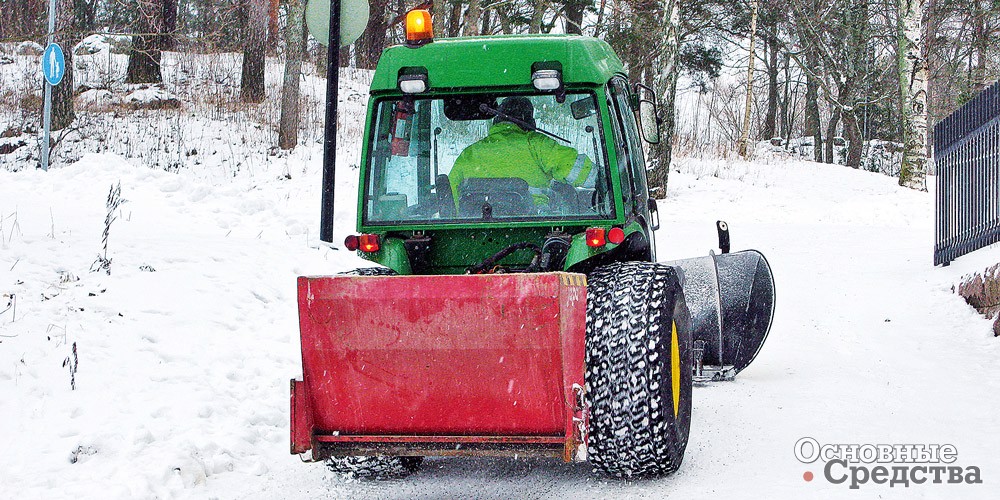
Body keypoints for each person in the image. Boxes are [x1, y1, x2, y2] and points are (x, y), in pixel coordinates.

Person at [449, 96, 595, 209]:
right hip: (534, 226)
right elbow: (580, 171)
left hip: (477, 227)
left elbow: (450, 196)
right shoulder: (536, 144)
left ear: (497, 119)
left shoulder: (470, 153)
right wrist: (603, 177)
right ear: (529, 120)